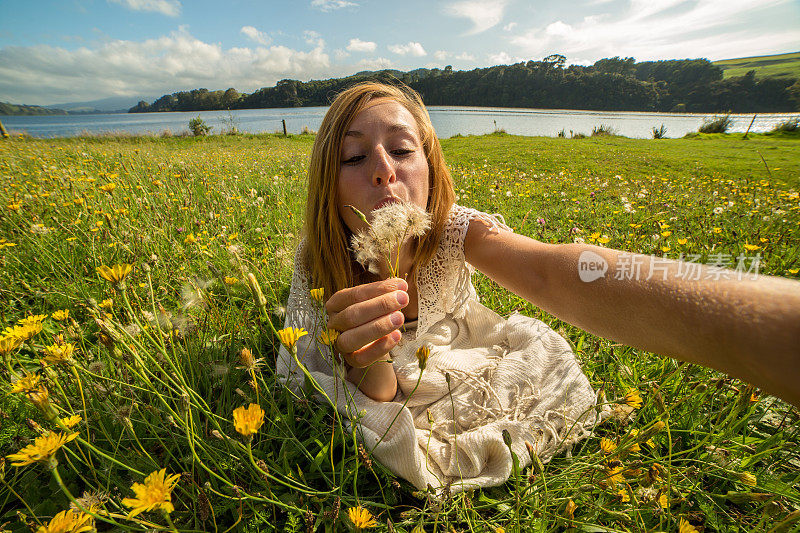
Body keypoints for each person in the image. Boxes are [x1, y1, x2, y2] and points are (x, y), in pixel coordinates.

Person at [277, 81, 800, 492]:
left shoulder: (456, 230)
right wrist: (371, 358)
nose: (385, 171)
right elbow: (363, 395)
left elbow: (553, 271)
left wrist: (748, 317)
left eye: (402, 150)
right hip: (389, 385)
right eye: (354, 157)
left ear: (430, 168)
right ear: (330, 184)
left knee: (537, 362)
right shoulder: (318, 268)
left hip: (459, 355)